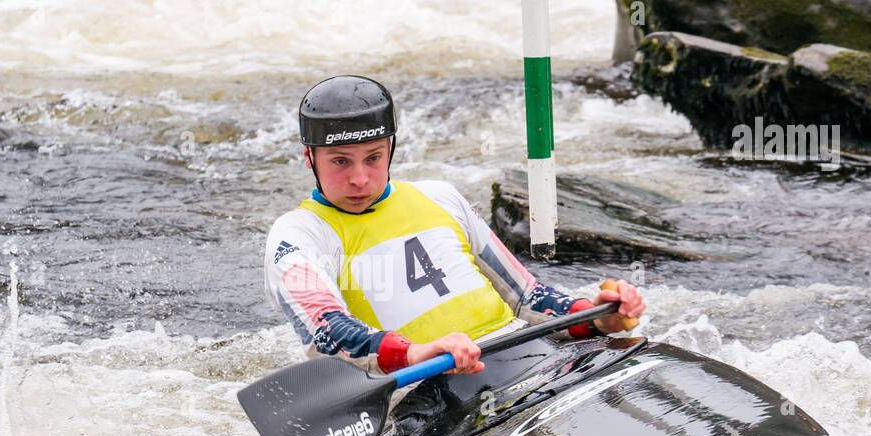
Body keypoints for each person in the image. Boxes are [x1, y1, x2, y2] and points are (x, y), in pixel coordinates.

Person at [264, 75, 644, 377]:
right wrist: (414, 352)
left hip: (532, 359)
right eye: (340, 161)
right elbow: (327, 333)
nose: (360, 179)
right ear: (309, 158)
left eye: (374, 157)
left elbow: (527, 297)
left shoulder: (440, 196)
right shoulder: (298, 234)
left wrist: (594, 317)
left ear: (392, 149)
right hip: (430, 394)